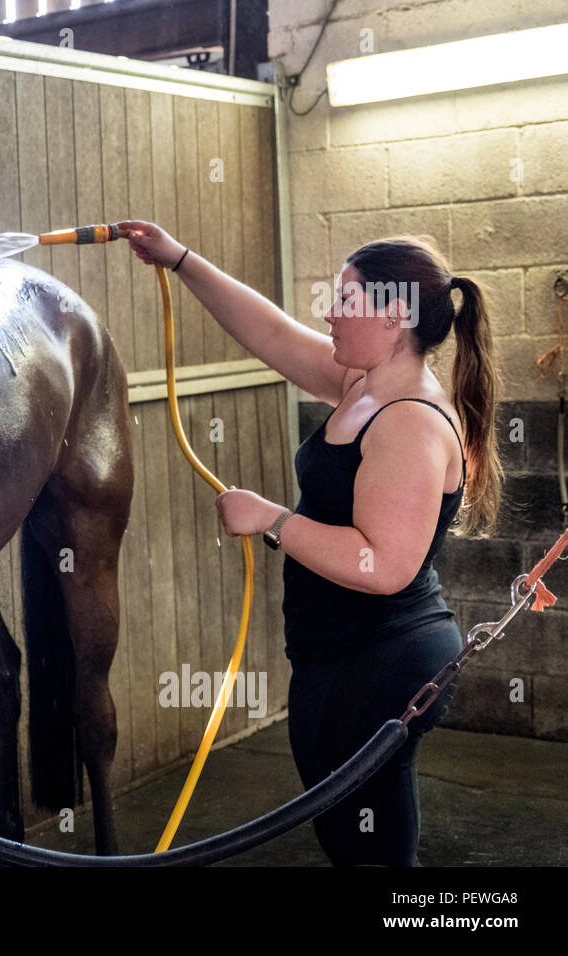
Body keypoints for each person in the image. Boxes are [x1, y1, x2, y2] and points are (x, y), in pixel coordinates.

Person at [119, 219, 503, 866]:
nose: (329, 313)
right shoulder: (363, 384)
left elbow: (382, 565)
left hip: (380, 661)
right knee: (351, 838)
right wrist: (180, 258)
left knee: (367, 850)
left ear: (393, 317)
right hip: (340, 654)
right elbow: (269, 331)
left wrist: (271, 519)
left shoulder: (407, 420)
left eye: (346, 300)